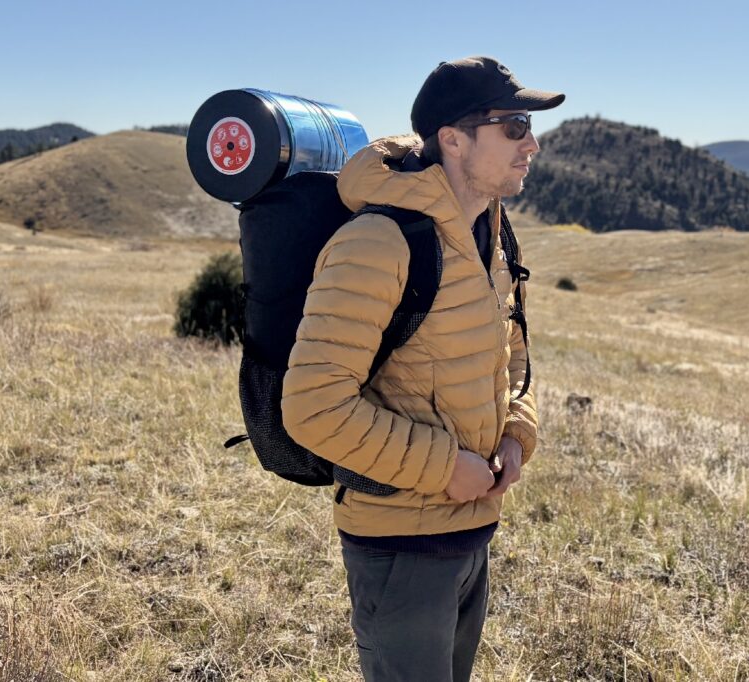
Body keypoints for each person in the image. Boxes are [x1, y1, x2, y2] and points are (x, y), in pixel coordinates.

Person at [280, 57, 564, 681]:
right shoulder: (379, 242)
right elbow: (312, 406)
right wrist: (445, 468)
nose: (532, 144)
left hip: (470, 530)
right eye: (514, 126)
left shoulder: (490, 231)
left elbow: (509, 354)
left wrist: (518, 434)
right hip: (400, 544)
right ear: (454, 139)